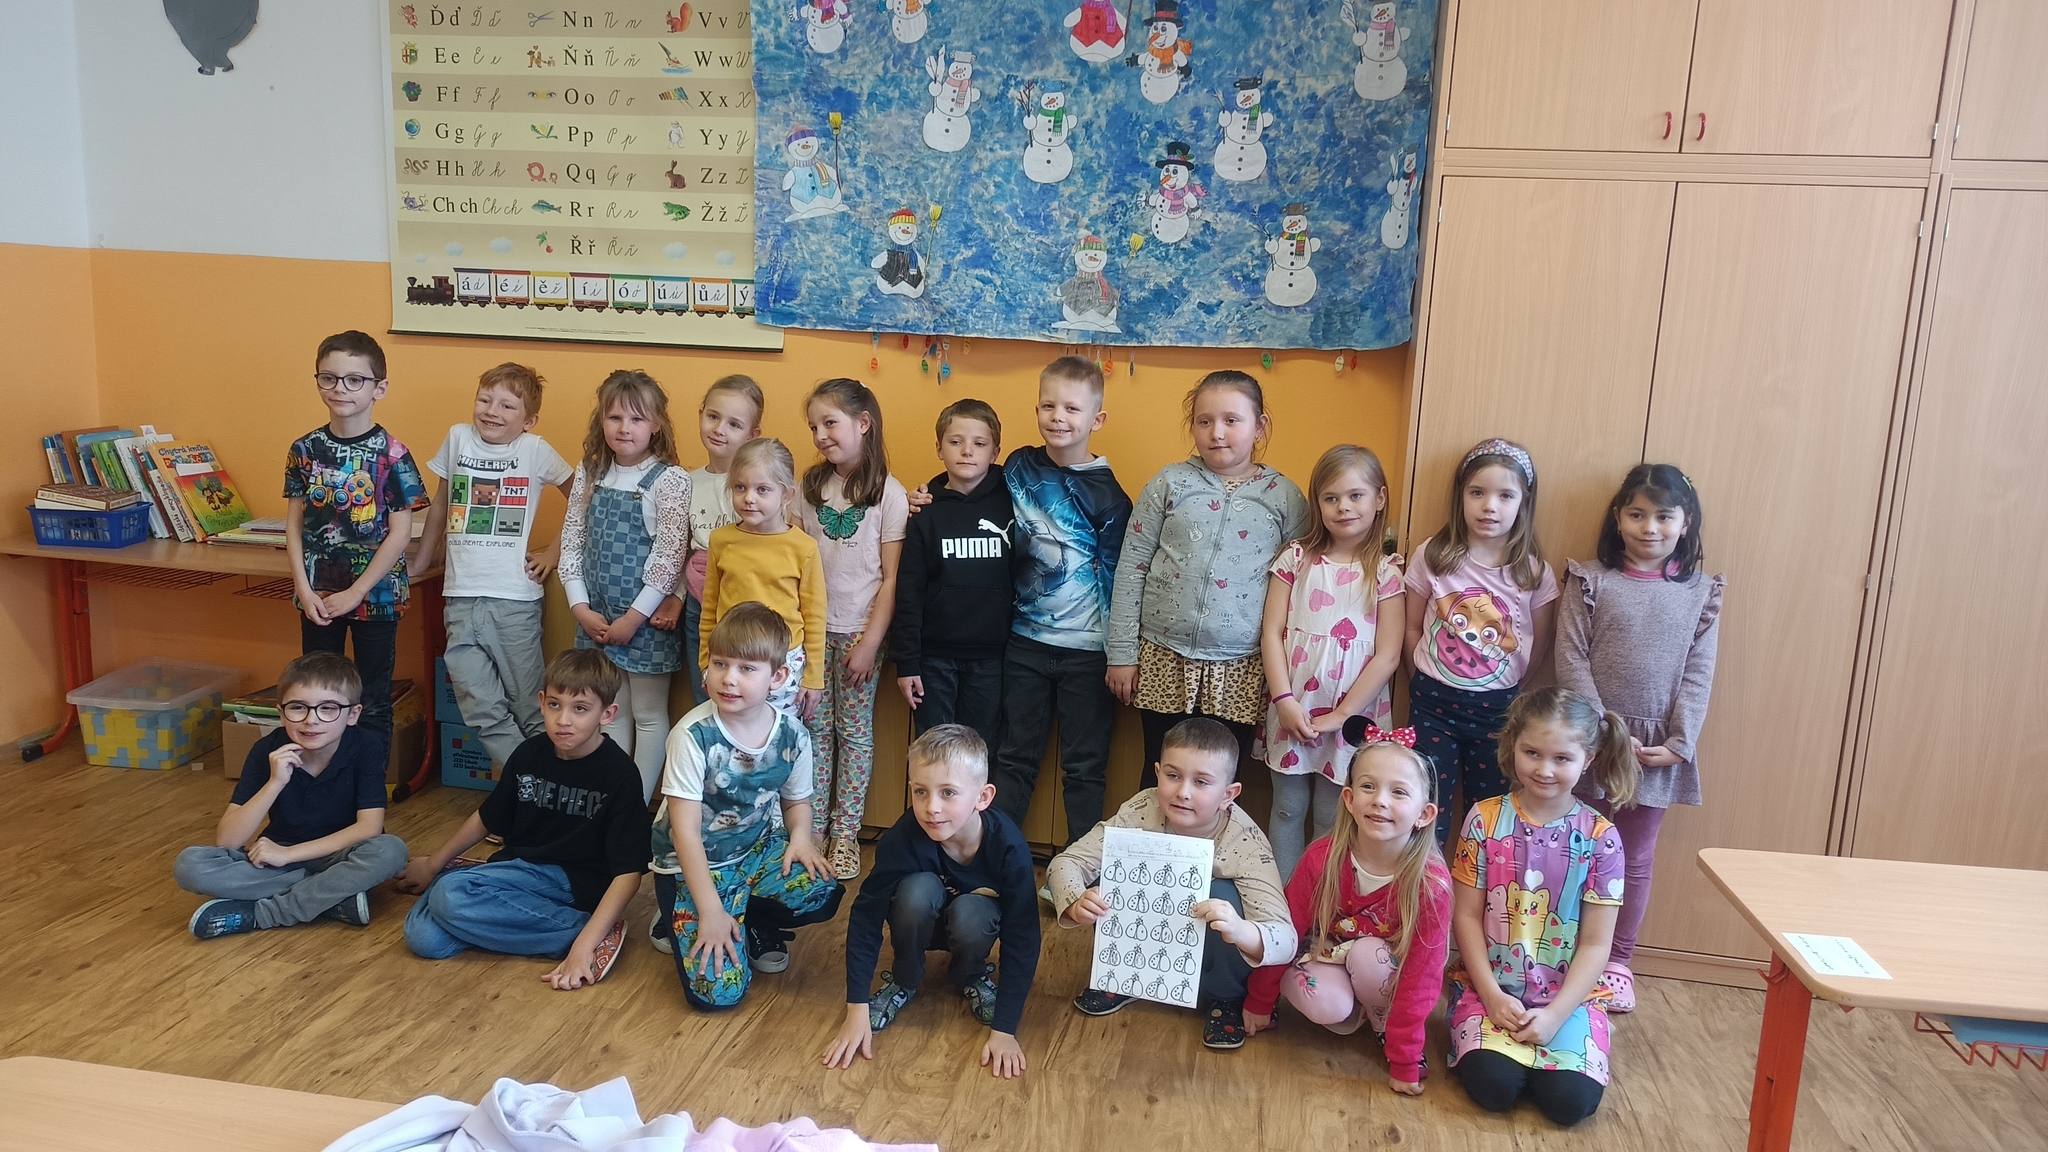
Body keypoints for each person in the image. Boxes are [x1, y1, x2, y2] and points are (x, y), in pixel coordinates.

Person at [1555, 463, 1722, 1013]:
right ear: (1618, 517)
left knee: (1633, 857)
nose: (1650, 527)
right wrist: (1602, 731)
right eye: (1637, 514)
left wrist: (1680, 742)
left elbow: (1699, 672)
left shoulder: (1700, 594)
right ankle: (1560, 951)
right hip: (1590, 742)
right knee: (1573, 846)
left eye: (1664, 516)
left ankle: (1617, 962)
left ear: (1685, 522)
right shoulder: (1589, 580)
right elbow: (1571, 656)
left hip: (1655, 751)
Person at [395, 649, 651, 990]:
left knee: (449, 895)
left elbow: (629, 874)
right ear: (542, 703)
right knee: (424, 938)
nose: (563, 720)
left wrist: (582, 949)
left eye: (580, 709)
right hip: (519, 869)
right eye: (555, 705)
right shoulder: (529, 753)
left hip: (574, 882)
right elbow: (488, 818)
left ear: (607, 714)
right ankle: (513, 907)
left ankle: (584, 933)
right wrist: (432, 864)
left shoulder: (620, 774)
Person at [1107, 371, 1308, 789]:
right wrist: (1121, 654)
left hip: (1241, 666)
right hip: (1163, 656)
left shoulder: (1284, 497)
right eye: (1204, 421)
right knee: (1160, 771)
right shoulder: (1169, 483)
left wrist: (1287, 679)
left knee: (1218, 780)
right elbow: (1131, 567)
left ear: (1259, 427)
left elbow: (1297, 589)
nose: (1217, 433)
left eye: (1231, 420)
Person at [1047, 717, 1295, 1050]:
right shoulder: (1140, 811)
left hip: (1214, 952)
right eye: (1173, 776)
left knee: (1223, 895)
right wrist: (1077, 901)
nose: (1183, 792)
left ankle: (1225, 996)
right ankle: (1122, 976)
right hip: (1138, 950)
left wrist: (1240, 930)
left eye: (1202, 782)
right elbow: (1066, 862)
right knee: (1111, 873)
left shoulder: (1246, 842)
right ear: (1157, 773)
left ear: (1228, 794)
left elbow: (1285, 938)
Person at [1448, 687, 1634, 1126]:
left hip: (1569, 1001)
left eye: (1561, 758)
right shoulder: (1483, 819)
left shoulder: (1601, 838)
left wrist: (1554, 1016)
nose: (1544, 769)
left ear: (1588, 759)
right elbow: (1466, 916)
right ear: (1513, 745)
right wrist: (1491, 996)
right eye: (1532, 753)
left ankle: (1575, 1041)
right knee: (1493, 1089)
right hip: (1490, 991)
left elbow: (1596, 944)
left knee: (1569, 1104)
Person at [649, 602, 844, 1010]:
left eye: (746, 668)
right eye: (720, 663)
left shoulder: (793, 734)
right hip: (694, 862)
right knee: (718, 996)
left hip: (754, 849)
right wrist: (709, 911)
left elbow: (797, 800)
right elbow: (684, 833)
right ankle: (681, 911)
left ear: (778, 677)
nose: (729, 678)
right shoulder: (691, 736)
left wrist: (801, 838)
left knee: (820, 890)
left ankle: (744, 916)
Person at [1243, 726, 1450, 1095]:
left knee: (1370, 957)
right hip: (1327, 958)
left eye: (1398, 792)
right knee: (1327, 1004)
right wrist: (1261, 1000)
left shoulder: (1430, 884)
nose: (1380, 801)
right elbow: (1285, 930)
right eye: (1369, 787)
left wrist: (1405, 1057)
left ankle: (1381, 1018)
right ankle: (1355, 1010)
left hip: (1382, 973)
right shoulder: (1321, 859)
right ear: (1350, 799)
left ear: (1424, 814)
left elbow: (1424, 974)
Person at [824, 725, 1039, 1079]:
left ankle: (971, 974)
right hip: (920, 919)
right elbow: (866, 915)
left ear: (983, 797)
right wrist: (856, 1008)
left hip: (971, 926)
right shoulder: (903, 837)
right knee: (916, 891)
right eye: (920, 791)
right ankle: (905, 978)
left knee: (973, 912)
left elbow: (1024, 936)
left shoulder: (1010, 848)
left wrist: (1005, 1030)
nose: (931, 808)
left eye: (948, 793)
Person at [985, 356, 1132, 848]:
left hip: (1087, 653)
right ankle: (998, 859)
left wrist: (1120, 654)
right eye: (1048, 406)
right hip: (1023, 643)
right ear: (1036, 410)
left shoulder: (1110, 497)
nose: (1058, 417)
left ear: (1097, 419)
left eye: (1072, 408)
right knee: (1013, 758)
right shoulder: (1019, 466)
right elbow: (975, 494)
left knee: (1085, 767)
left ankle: (1080, 870)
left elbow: (1118, 580)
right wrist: (931, 495)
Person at [413, 362, 576, 773]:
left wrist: (554, 552)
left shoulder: (534, 450)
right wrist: (421, 562)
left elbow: (582, 500)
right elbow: (440, 505)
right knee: (480, 708)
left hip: (513, 603)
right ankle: (532, 783)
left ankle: (546, 789)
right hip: (460, 600)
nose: (492, 411)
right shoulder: (458, 438)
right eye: (485, 400)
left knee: (530, 708)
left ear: (528, 420)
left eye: (507, 405)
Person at [177, 653, 407, 938]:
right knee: (190, 865)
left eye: (328, 708)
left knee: (390, 851)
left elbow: (369, 828)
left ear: (353, 715)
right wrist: (275, 783)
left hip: (340, 856)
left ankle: (267, 914)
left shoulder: (366, 746)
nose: (311, 720)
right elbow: (228, 840)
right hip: (279, 857)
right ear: (281, 712)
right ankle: (329, 896)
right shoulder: (266, 751)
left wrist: (288, 854)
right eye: (298, 708)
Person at [1258, 444, 1404, 879]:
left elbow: (1388, 655)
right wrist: (1284, 701)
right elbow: (1271, 633)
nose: (1343, 507)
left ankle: (1316, 902)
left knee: (1332, 815)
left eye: (1356, 495)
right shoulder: (1295, 559)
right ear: (1317, 503)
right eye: (1331, 498)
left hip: (1351, 719)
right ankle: (1281, 904)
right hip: (1293, 710)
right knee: (1286, 809)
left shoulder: (1387, 572)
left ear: (1379, 499)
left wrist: (1342, 715)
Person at [1405, 438, 1558, 844]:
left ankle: (1479, 885)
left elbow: (1539, 643)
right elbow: (1411, 628)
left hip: (1498, 710)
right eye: (1477, 493)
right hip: (1432, 704)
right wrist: (1418, 678)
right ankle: (1427, 883)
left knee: (1488, 813)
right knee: (1427, 808)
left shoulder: (1533, 572)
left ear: (1524, 502)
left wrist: (1511, 687)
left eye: (1505, 496)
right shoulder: (1433, 555)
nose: (1490, 506)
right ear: (1461, 496)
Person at [285, 330, 430, 738]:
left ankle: (367, 779)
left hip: (376, 598)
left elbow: (400, 534)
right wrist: (304, 589)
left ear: (378, 388)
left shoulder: (394, 454)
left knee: (372, 700)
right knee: (318, 696)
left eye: (354, 380)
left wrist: (357, 592)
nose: (340, 388)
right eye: (329, 378)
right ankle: (324, 773)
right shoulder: (304, 450)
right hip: (318, 597)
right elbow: (294, 524)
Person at [558, 369, 693, 800]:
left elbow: (669, 556)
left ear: (656, 425)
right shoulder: (589, 472)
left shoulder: (670, 480)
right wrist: (580, 607)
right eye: (615, 417)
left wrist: (633, 618)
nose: (624, 428)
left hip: (644, 622)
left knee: (648, 715)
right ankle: (608, 800)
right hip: (596, 617)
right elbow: (572, 540)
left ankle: (634, 802)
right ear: (601, 421)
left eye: (637, 419)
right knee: (610, 712)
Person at [797, 379, 908, 880]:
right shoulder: (809, 488)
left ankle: (845, 834)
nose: (820, 435)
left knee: (854, 734)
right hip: (813, 632)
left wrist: (870, 643)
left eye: (830, 423)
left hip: (860, 633)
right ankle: (813, 830)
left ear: (863, 423)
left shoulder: (890, 493)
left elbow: (890, 579)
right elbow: (797, 563)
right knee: (815, 731)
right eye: (814, 426)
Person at [889, 398, 1013, 755]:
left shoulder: (1013, 503)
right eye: (956, 441)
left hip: (992, 659)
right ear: (939, 448)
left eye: (979, 443)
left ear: (995, 453)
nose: (967, 451)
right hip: (933, 661)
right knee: (934, 753)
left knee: (980, 752)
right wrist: (907, 663)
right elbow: (909, 592)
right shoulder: (924, 512)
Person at [699, 438, 828, 720]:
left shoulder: (803, 547)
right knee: (733, 730)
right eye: (740, 487)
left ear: (786, 495)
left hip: (784, 662)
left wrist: (813, 677)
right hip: (731, 660)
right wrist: (707, 663)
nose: (749, 498)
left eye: (762, 489)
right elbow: (709, 608)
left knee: (778, 734)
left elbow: (815, 617)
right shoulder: (721, 540)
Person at [682, 375, 765, 707]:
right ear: (700, 414)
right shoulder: (686, 482)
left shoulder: (758, 488)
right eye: (713, 417)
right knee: (704, 693)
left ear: (752, 435)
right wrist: (675, 597)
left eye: (734, 424)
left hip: (743, 604)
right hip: (697, 606)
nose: (719, 429)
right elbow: (679, 548)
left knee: (741, 697)